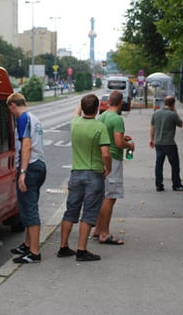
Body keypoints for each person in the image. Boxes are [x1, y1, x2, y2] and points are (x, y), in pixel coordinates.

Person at [58, 94, 111, 261]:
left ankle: (64, 247)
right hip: (94, 174)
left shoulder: (74, 123)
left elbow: (76, 111)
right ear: (97, 109)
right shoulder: (100, 127)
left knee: (70, 211)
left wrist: (81, 103)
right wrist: (108, 168)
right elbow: (106, 154)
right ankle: (81, 250)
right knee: (88, 213)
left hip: (76, 174)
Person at [6, 92, 47, 263]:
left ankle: (34, 253)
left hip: (29, 167)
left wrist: (22, 172)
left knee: (29, 209)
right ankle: (27, 244)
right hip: (39, 166)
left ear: (13, 105)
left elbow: (26, 145)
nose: (11, 113)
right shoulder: (33, 118)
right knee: (30, 204)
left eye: (10, 109)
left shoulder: (23, 119)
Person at [93, 90, 134, 245]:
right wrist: (129, 144)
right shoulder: (117, 119)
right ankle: (104, 233)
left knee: (103, 196)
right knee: (110, 197)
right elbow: (118, 142)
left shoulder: (102, 116)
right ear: (121, 102)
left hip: (101, 158)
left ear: (109, 101)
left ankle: (97, 229)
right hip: (113, 159)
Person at [150, 95, 183, 192]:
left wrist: (152, 139)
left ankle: (159, 185)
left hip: (158, 143)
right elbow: (180, 124)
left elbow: (152, 127)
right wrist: (175, 111)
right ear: (173, 104)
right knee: (175, 165)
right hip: (169, 143)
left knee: (159, 164)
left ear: (164, 103)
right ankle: (176, 184)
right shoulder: (172, 115)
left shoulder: (156, 113)